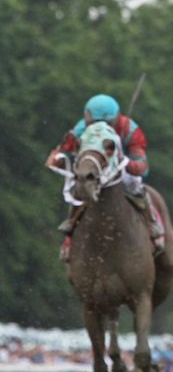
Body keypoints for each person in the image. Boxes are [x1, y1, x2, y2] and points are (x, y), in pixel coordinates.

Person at [46, 94, 165, 258]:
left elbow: (143, 168)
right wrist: (58, 159)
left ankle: (152, 224)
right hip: (94, 171)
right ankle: (70, 232)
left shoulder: (130, 130)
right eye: (93, 123)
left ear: (116, 120)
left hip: (121, 171)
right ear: (86, 120)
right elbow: (58, 153)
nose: (99, 127)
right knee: (80, 187)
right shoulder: (80, 130)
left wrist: (124, 162)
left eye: (106, 124)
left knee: (135, 185)